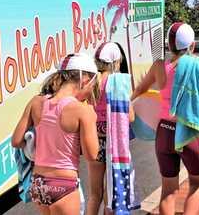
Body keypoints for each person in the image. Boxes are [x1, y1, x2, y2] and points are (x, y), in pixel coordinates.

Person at [131, 22, 199, 215]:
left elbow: (139, 90)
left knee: (168, 189)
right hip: (189, 132)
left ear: (169, 46)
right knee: (197, 183)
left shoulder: (158, 66)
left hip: (164, 132)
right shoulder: (197, 65)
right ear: (192, 45)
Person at [12, 53, 99, 215]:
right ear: (85, 80)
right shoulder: (82, 111)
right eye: (92, 86)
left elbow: (16, 141)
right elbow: (92, 155)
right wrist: (92, 120)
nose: (90, 92)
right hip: (64, 185)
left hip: (38, 184)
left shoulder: (36, 102)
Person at [86, 42, 135, 215]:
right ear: (115, 61)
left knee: (94, 194)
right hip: (113, 144)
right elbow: (130, 117)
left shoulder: (90, 82)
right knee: (111, 190)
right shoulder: (117, 82)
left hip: (94, 140)